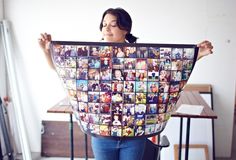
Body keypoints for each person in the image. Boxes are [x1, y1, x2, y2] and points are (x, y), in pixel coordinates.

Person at [38, 7, 213, 160]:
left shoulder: (140, 55)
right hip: (102, 134)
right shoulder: (91, 55)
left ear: (125, 29)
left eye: (113, 24)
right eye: (104, 23)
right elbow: (63, 69)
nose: (106, 28)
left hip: (134, 135)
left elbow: (169, 71)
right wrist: (47, 52)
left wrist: (197, 54)